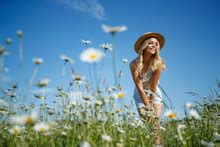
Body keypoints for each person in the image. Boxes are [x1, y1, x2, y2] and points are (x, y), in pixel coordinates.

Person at [130, 32, 166, 146]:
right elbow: (139, 87)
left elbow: (153, 86)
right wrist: (147, 105)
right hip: (140, 95)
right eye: (150, 43)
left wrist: (151, 103)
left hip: (154, 94)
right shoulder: (134, 64)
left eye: (156, 44)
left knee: (155, 124)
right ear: (144, 46)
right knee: (149, 125)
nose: (154, 45)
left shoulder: (158, 63)